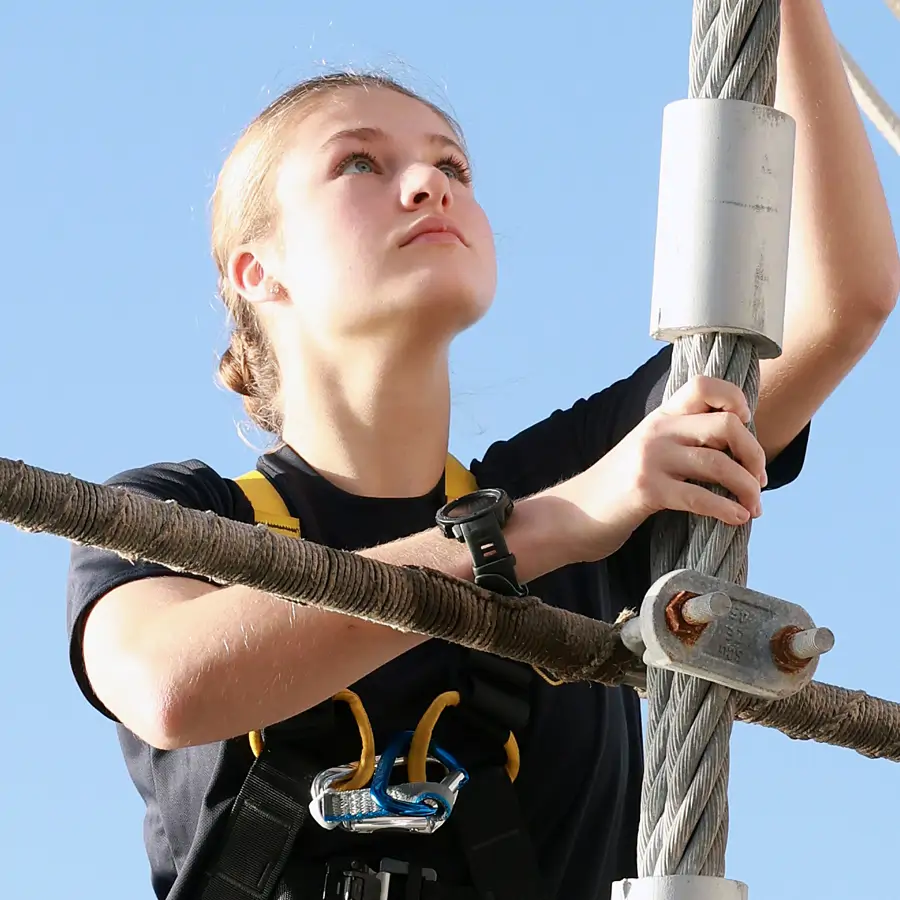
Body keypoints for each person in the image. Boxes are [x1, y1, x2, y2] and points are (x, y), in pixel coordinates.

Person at [66, 5, 898, 898]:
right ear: (256, 271)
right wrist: (547, 529)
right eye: (360, 162)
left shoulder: (579, 472)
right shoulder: (178, 518)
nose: (429, 180)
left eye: (453, 164)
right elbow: (171, 687)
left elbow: (832, 302)